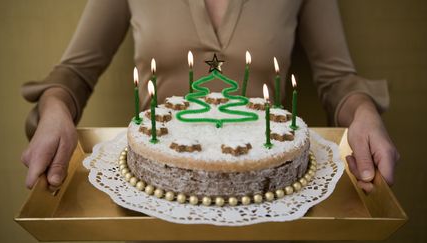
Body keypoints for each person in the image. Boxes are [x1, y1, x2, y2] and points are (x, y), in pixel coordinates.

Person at [21, 0, 399, 193]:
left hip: (270, 196)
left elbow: (337, 81)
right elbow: (73, 74)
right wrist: (55, 109)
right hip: (152, 199)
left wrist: (363, 111)